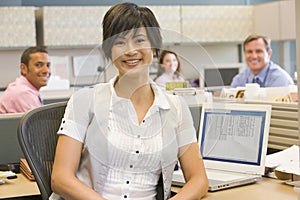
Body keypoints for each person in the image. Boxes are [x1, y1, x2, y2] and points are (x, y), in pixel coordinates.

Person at [50, 2, 208, 200]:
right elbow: (60, 178)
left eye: (140, 40)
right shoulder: (84, 100)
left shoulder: (176, 107)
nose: (130, 50)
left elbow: (199, 180)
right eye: (120, 42)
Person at [0, 46, 51, 114]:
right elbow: (39, 124)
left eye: (48, 65)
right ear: (23, 68)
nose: (46, 70)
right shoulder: (23, 93)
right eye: (38, 65)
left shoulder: (26, 90)